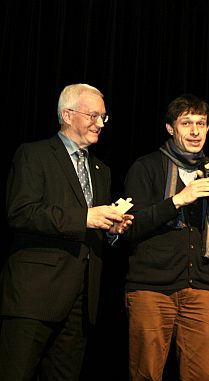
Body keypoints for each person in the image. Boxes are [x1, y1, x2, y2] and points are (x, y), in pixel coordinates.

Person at [0, 83, 133, 381]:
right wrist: (86, 217)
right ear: (67, 114)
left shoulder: (101, 169)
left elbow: (91, 226)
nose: (100, 124)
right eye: (93, 116)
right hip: (35, 296)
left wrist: (111, 227)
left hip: (81, 301)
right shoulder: (34, 155)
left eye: (103, 117)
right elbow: (21, 212)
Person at [123, 93, 209, 381]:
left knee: (205, 375)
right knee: (146, 374)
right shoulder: (146, 167)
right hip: (151, 289)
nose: (195, 131)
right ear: (171, 128)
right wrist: (178, 201)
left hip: (200, 289)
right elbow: (130, 227)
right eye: (187, 123)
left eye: (201, 123)